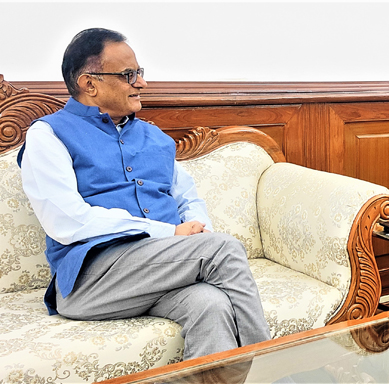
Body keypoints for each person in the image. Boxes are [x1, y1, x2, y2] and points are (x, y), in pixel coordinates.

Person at [17, 28, 271, 360]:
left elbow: (187, 197)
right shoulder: (48, 135)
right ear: (89, 83)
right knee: (222, 249)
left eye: (140, 73)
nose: (141, 83)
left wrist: (196, 228)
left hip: (160, 269)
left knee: (212, 304)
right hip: (93, 281)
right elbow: (66, 220)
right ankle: (272, 365)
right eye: (128, 75)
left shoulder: (154, 137)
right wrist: (172, 234)